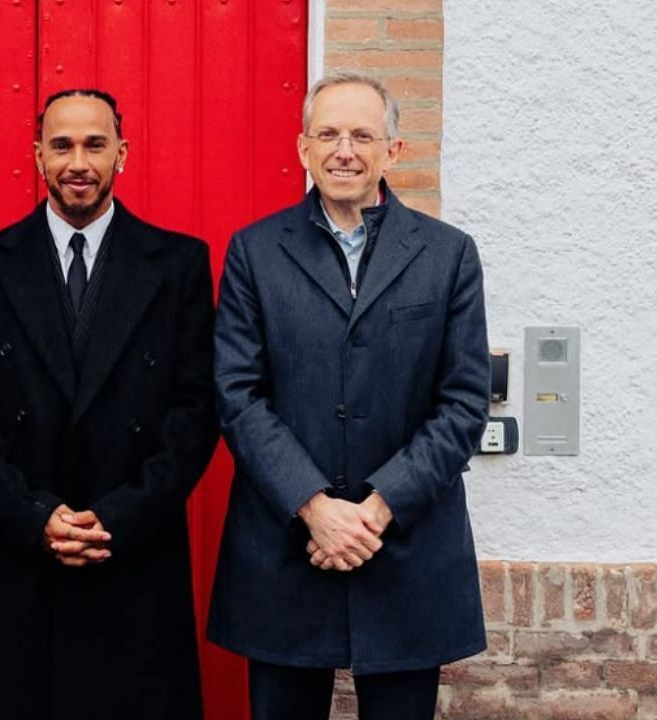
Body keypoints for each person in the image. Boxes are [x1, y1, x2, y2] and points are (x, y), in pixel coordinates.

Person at [207, 71, 490, 719]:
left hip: (406, 551)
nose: (344, 150)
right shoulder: (255, 253)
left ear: (393, 151)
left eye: (363, 135)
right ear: (303, 147)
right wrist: (316, 509)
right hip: (287, 546)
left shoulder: (448, 256)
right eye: (328, 134)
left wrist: (374, 512)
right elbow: (237, 394)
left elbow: (464, 401)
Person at [0, 88, 218, 720]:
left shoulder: (177, 263)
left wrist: (120, 515)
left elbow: (197, 407)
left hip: (135, 547)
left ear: (123, 152)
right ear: (37, 156)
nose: (78, 162)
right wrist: (35, 515)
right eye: (61, 145)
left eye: (95, 144)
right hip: (24, 547)